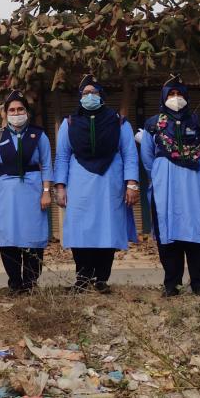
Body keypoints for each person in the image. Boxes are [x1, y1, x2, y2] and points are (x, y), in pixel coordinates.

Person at [54, 75, 139, 292]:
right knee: (80, 231)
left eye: (94, 92)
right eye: (85, 93)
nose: (89, 96)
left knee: (107, 230)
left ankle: (101, 279)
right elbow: (62, 156)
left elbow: (130, 154)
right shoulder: (69, 123)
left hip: (110, 185)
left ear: (102, 95)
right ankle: (82, 279)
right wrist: (60, 186)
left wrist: (131, 184)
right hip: (79, 186)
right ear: (79, 97)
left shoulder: (119, 123)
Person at [140, 75, 200, 297]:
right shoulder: (153, 125)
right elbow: (147, 157)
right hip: (165, 186)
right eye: (171, 94)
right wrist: (160, 173)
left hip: (195, 186)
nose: (176, 98)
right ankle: (172, 284)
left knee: (197, 229)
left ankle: (199, 283)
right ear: (164, 98)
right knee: (168, 231)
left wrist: (196, 168)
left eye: (179, 94)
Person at [0, 90, 52, 293]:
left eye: (20, 109)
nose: (16, 113)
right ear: (6, 114)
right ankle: (15, 283)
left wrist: (46, 191)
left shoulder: (39, 135)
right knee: (8, 237)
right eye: (12, 110)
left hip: (32, 191)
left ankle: (30, 283)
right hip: (5, 193)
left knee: (33, 236)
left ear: (27, 112)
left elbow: (47, 165)